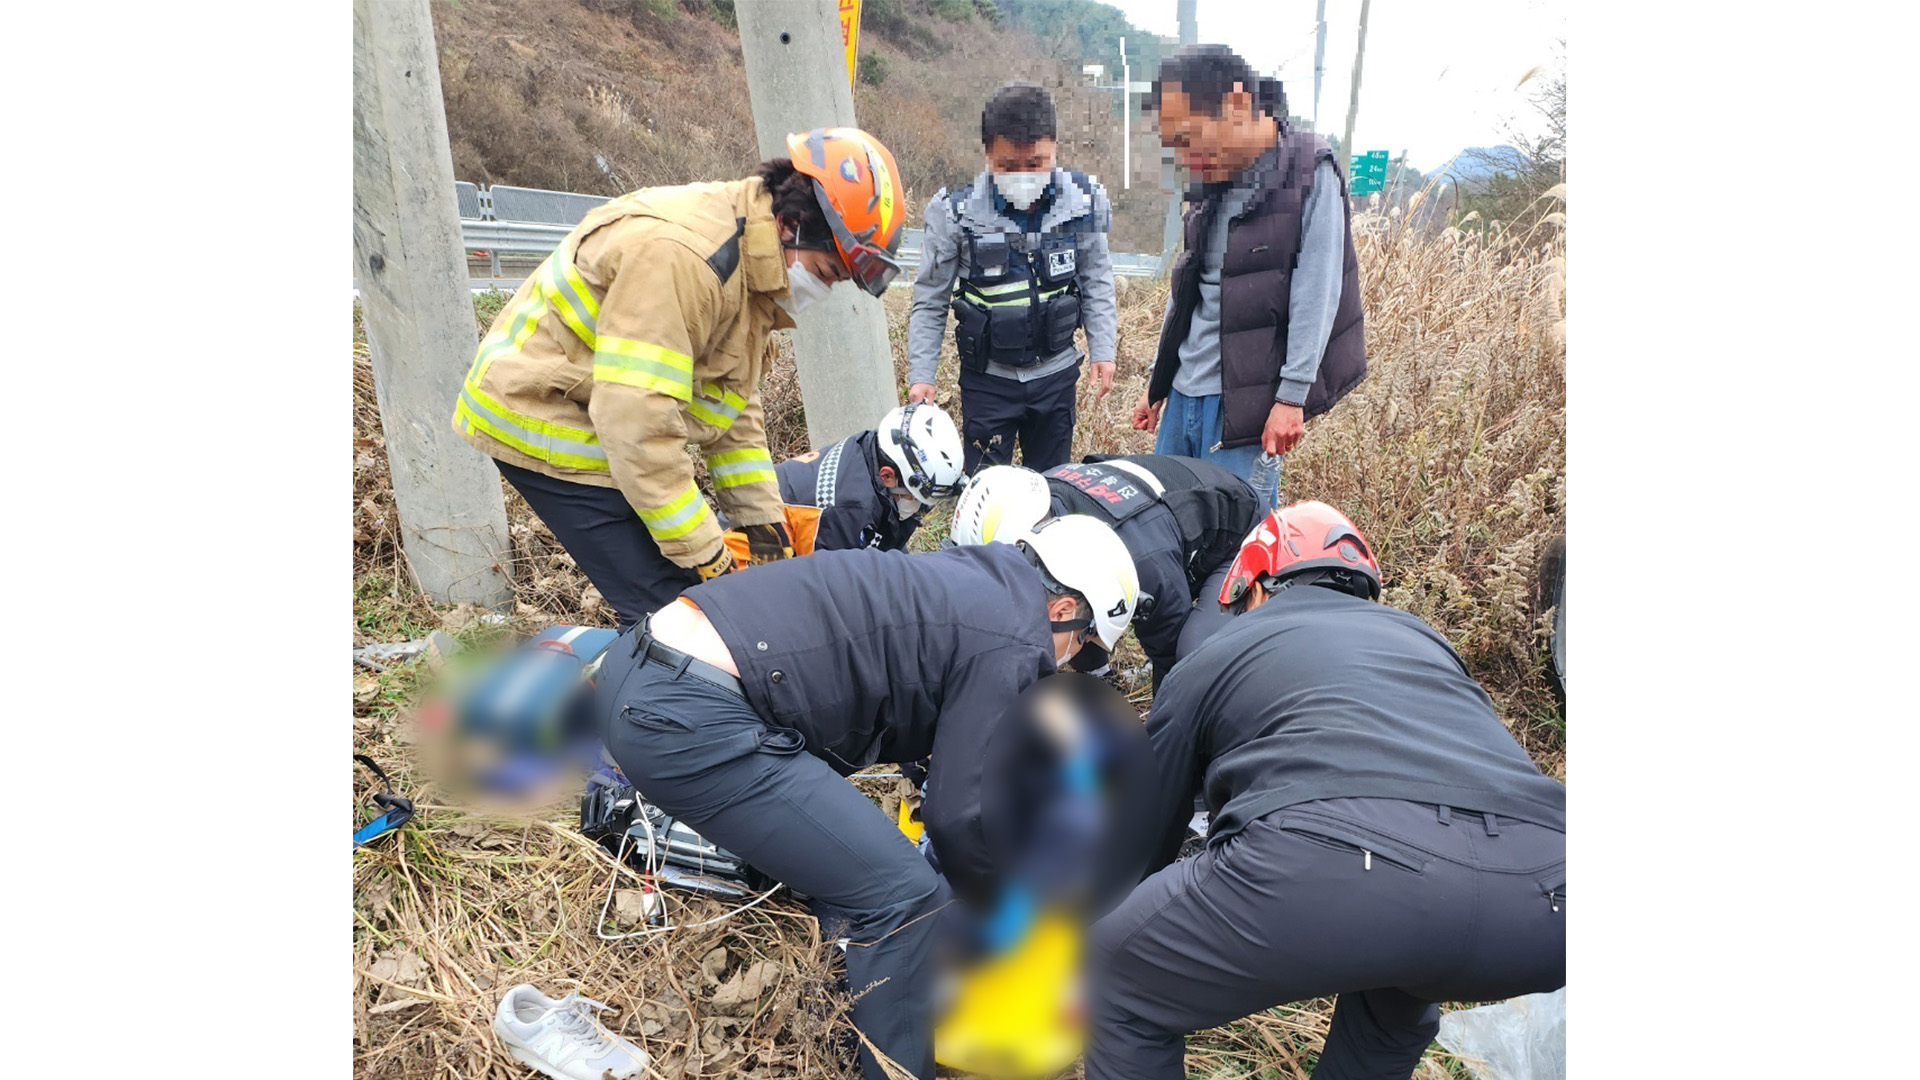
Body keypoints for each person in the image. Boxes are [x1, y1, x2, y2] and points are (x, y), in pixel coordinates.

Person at [593, 516, 1140, 1080]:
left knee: (871, 868)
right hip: (684, 712)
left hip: (644, 669)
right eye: (1082, 642)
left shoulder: (977, 582)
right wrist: (1001, 910)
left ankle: (857, 975)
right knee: (903, 898)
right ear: (1061, 609)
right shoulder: (1015, 636)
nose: (1070, 661)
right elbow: (956, 817)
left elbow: (920, 700)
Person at [1084, 501, 1566, 1080]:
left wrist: (1096, 915)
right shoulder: (1424, 639)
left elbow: (1143, 827)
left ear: (1256, 587)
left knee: (1119, 976)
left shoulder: (1221, 650)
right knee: (1396, 994)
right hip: (1547, 895)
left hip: (1336, 867)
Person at [452, 127, 908, 630]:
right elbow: (637, 425)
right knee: (668, 605)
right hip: (542, 409)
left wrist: (766, 532)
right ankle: (652, 695)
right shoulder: (688, 258)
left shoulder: (751, 269)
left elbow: (732, 418)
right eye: (825, 273)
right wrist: (706, 554)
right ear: (790, 225)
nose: (822, 291)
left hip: (601, 412)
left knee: (694, 582)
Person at [1130, 45, 1367, 508]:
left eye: (1187, 139)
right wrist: (1159, 382)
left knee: (1236, 544)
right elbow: (1188, 289)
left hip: (1245, 405)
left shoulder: (1308, 170)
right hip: (1184, 392)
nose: (1184, 158)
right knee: (1164, 523)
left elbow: (1317, 289)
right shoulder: (1211, 175)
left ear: (1237, 104)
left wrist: (1292, 397)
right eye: (1174, 146)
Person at [907, 81, 1118, 473]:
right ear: (988, 155)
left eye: (1036, 163)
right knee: (985, 490)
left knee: (1053, 486)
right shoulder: (953, 213)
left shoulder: (1085, 202)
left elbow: (1096, 277)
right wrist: (922, 374)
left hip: (1056, 378)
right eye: (1007, 165)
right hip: (989, 382)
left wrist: (1103, 348)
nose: (1023, 175)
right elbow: (930, 299)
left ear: (1054, 148)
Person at [948, 454, 1262, 692]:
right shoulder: (1033, 498)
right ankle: (1099, 678)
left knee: (1190, 651)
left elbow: (1171, 658)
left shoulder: (1139, 562)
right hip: (1166, 509)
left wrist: (1157, 743)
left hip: (1240, 537)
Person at [771, 401, 966, 552]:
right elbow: (835, 592)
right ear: (888, 476)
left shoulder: (871, 448)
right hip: (753, 551)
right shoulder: (849, 514)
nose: (918, 507)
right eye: (915, 498)